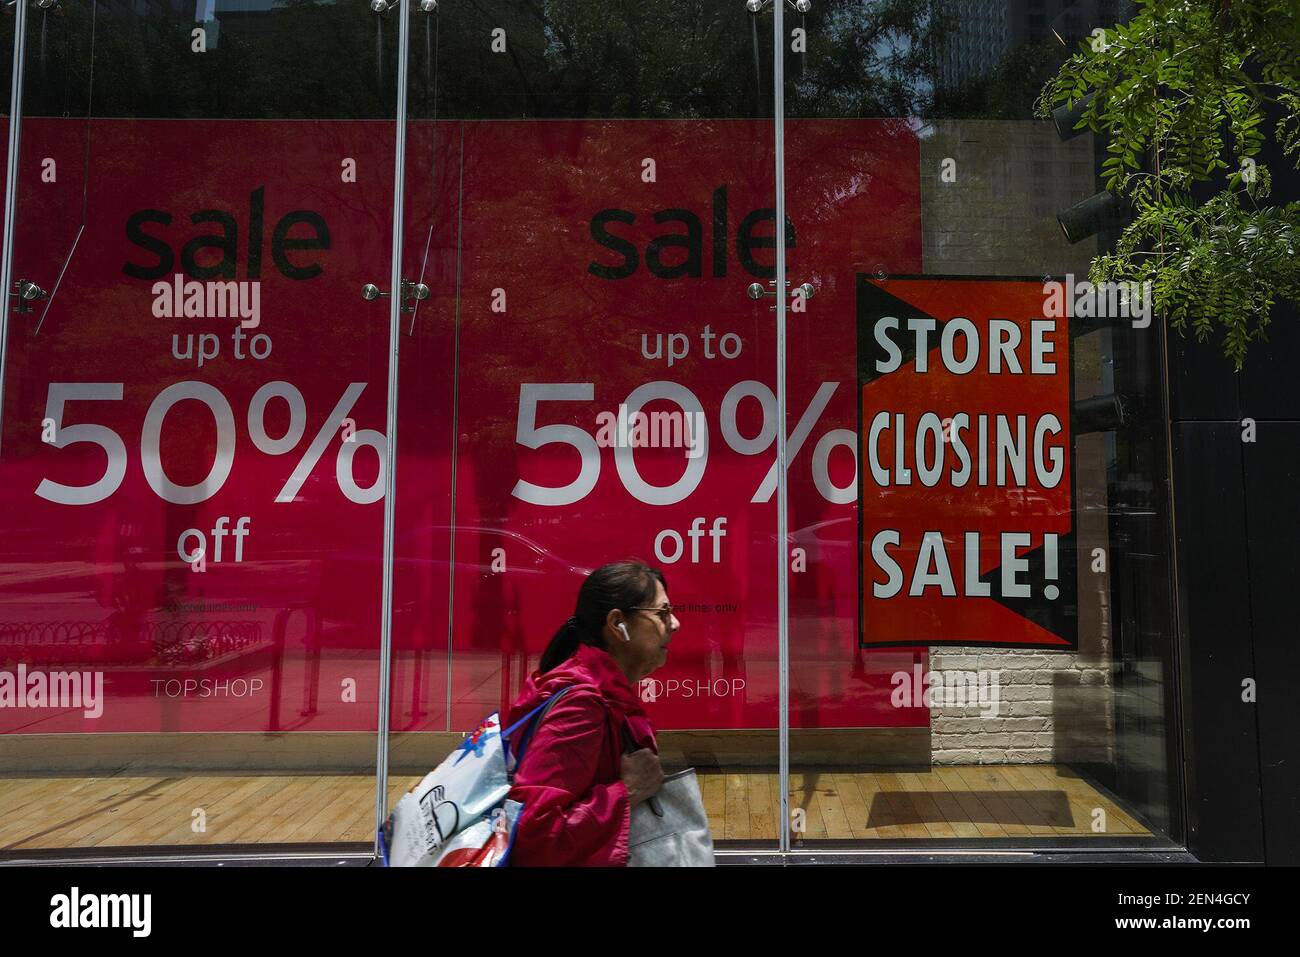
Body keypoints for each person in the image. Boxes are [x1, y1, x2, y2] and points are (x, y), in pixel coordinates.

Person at [503, 560, 680, 866]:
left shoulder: (601, 691)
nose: (675, 623)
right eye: (662, 613)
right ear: (617, 624)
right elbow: (535, 833)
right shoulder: (582, 705)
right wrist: (627, 790)